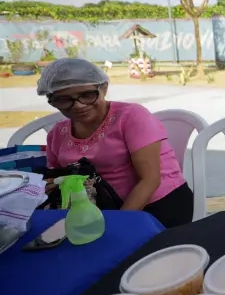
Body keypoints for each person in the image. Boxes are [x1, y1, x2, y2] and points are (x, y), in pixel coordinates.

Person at [37, 58, 193, 228]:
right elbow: (55, 178)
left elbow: (150, 180)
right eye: (63, 99)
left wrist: (116, 225)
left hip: (157, 203)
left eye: (87, 95)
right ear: (51, 100)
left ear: (103, 88)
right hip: (96, 207)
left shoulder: (131, 117)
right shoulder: (57, 134)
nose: (79, 106)